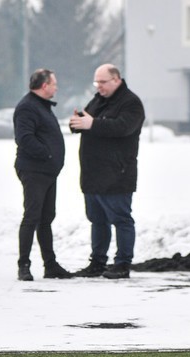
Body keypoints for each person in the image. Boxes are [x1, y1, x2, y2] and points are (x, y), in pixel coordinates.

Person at [70, 64, 144, 279]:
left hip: (116, 173)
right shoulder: (98, 100)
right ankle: (98, 263)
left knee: (121, 219)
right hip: (93, 173)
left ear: (116, 80)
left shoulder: (131, 103)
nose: (99, 86)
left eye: (102, 82)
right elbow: (89, 122)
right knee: (97, 220)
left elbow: (123, 127)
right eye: (96, 82)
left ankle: (122, 263)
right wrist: (77, 123)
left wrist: (92, 123)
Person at [13, 68, 72, 281]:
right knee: (32, 217)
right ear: (45, 86)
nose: (56, 87)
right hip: (34, 170)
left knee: (46, 218)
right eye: (54, 84)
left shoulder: (42, 106)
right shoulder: (28, 107)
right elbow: (25, 138)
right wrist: (47, 155)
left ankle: (50, 265)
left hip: (47, 171)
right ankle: (24, 265)